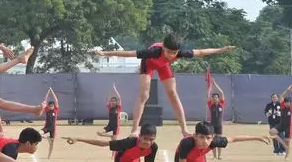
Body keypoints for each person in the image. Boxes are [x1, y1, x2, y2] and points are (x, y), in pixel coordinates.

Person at [91, 34, 235, 137]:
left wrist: (221, 49)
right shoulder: (153, 51)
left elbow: (201, 52)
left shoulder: (178, 53)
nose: (172, 55)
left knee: (173, 94)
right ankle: (135, 129)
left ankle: (184, 129)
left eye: (174, 53)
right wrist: (105, 53)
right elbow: (128, 54)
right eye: (169, 52)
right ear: (163, 47)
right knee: (144, 95)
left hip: (163, 66)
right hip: (149, 63)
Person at [272, 85, 292, 160]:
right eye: (285, 102)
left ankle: (286, 157)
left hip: (289, 128)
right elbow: (281, 96)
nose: (286, 104)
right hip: (281, 125)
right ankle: (284, 145)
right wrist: (287, 90)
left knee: (288, 143)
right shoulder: (282, 106)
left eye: (288, 102)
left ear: (290, 103)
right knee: (271, 132)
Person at [206, 78, 226, 159]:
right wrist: (210, 86)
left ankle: (219, 156)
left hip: (219, 125)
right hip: (212, 125)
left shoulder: (222, 104)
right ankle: (214, 156)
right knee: (213, 140)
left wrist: (215, 84)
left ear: (218, 98)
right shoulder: (211, 105)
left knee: (219, 140)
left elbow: (221, 93)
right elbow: (208, 94)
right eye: (213, 97)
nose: (214, 98)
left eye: (216, 97)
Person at [42, 87, 59, 159]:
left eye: (52, 106)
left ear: (54, 106)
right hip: (46, 127)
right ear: (48, 107)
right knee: (38, 134)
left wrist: (52, 91)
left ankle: (49, 156)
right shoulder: (46, 110)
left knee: (52, 144)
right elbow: (45, 100)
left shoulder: (56, 110)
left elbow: (56, 100)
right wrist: (48, 92)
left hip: (53, 128)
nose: (51, 107)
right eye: (49, 106)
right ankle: (47, 138)